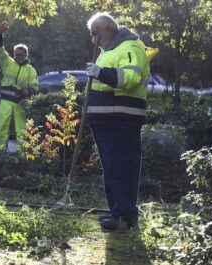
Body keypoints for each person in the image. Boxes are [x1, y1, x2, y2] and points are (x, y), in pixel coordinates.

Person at [85, 13, 150, 230]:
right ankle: (117, 213)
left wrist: (101, 73)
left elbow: (131, 79)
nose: (94, 40)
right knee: (112, 168)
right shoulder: (109, 51)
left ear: (110, 30)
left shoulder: (131, 47)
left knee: (122, 167)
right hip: (107, 121)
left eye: (96, 34)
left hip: (121, 120)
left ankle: (124, 217)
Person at [0, 21, 39, 149]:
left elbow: (35, 87)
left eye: (21, 55)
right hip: (6, 101)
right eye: (16, 54)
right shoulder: (7, 63)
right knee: (2, 127)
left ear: (26, 55)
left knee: (22, 129)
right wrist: (0, 34)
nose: (18, 56)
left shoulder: (31, 70)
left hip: (20, 102)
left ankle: (23, 153)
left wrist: (28, 91)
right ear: (14, 54)